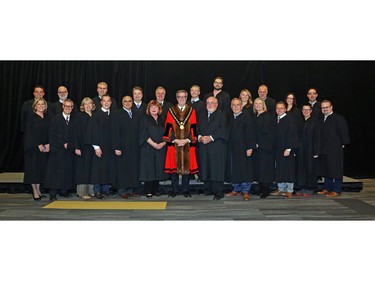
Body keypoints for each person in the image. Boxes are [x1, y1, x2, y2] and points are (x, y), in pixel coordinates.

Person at [163, 89, 199, 198]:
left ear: (186, 98)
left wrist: (188, 139)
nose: (181, 99)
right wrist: (174, 139)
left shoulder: (192, 111)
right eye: (179, 97)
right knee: (174, 167)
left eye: (183, 97)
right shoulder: (171, 111)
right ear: (176, 98)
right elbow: (168, 127)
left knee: (186, 168)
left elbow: (194, 127)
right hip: (175, 144)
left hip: (187, 143)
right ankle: (174, 189)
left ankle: (185, 189)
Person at [198, 96, 229, 200]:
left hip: (217, 146)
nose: (210, 105)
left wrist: (211, 138)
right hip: (204, 146)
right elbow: (196, 128)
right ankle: (208, 189)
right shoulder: (201, 115)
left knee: (217, 169)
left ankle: (218, 192)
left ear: (217, 104)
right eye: (208, 103)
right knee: (205, 167)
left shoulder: (222, 115)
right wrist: (199, 137)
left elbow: (223, 128)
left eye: (212, 103)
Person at [44, 99, 76, 201]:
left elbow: (76, 135)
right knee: (54, 172)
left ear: (72, 108)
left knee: (66, 171)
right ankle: (52, 193)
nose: (68, 108)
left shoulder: (74, 119)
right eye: (66, 106)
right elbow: (53, 134)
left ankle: (63, 190)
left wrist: (70, 144)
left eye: (70, 106)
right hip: (57, 150)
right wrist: (63, 143)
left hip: (69, 150)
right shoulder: (55, 119)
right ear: (62, 107)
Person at [225, 98, 256, 201]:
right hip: (232, 148)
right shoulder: (230, 117)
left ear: (241, 106)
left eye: (238, 105)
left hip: (244, 148)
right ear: (231, 106)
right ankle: (236, 189)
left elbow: (251, 133)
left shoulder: (246, 117)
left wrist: (250, 147)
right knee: (235, 169)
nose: (236, 107)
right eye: (233, 105)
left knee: (245, 169)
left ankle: (246, 191)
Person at [317, 100, 350, 197]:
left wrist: (343, 143)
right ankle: (328, 188)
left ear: (331, 107)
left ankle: (337, 189)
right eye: (323, 108)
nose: (325, 109)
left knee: (336, 169)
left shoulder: (338, 118)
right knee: (327, 169)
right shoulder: (321, 119)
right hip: (324, 149)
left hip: (335, 149)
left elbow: (344, 132)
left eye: (327, 107)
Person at [86, 94, 115, 199]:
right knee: (98, 169)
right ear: (101, 102)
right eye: (104, 101)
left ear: (111, 103)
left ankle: (106, 189)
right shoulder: (96, 115)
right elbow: (92, 131)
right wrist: (96, 147)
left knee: (107, 168)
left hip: (109, 147)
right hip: (99, 147)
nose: (106, 103)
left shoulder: (113, 114)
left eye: (108, 101)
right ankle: (97, 190)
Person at [112, 95, 141, 199]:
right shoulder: (117, 114)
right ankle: (122, 190)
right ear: (122, 102)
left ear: (132, 102)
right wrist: (116, 147)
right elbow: (114, 132)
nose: (128, 103)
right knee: (122, 169)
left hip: (134, 147)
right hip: (122, 147)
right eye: (125, 101)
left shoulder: (136, 113)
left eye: (129, 101)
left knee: (132, 168)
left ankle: (130, 189)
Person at [139, 100, 168, 198]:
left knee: (158, 168)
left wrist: (163, 143)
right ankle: (148, 191)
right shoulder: (144, 119)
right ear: (148, 109)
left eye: (156, 107)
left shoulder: (162, 119)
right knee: (149, 169)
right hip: (148, 147)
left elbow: (168, 132)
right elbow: (144, 133)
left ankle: (156, 190)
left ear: (159, 109)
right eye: (151, 107)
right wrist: (154, 144)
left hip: (161, 147)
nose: (154, 109)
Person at [270, 101, 299, 199]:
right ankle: (281, 188)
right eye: (277, 108)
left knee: (288, 170)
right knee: (279, 169)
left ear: (285, 109)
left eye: (281, 108)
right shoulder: (275, 119)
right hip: (277, 149)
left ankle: (289, 190)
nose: (279, 110)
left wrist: (289, 148)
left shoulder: (289, 119)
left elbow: (293, 135)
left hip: (287, 150)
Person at [23, 98, 50, 200]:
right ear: (35, 106)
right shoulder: (31, 118)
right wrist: (38, 144)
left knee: (39, 171)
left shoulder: (47, 118)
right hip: (33, 148)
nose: (41, 106)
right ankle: (34, 191)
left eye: (43, 104)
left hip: (44, 148)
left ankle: (38, 190)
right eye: (39, 104)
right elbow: (29, 134)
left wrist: (48, 144)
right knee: (33, 170)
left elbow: (50, 132)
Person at [71, 97, 96, 199]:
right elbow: (75, 133)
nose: (88, 105)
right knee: (83, 169)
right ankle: (82, 192)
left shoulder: (95, 115)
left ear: (93, 105)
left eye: (90, 103)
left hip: (93, 146)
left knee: (91, 169)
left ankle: (91, 191)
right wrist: (76, 147)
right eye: (85, 104)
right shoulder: (79, 116)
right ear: (83, 106)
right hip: (82, 146)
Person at [295, 104, 321, 196]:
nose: (306, 112)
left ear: (311, 111)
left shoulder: (315, 122)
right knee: (301, 169)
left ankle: (310, 188)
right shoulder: (299, 122)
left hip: (311, 150)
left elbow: (318, 137)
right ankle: (301, 187)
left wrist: (316, 151)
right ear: (302, 111)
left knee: (310, 169)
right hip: (300, 150)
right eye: (304, 110)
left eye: (308, 110)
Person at [253, 97, 275, 198]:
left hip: (265, 147)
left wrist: (259, 143)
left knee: (265, 169)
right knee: (259, 168)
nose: (258, 105)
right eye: (256, 103)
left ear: (263, 105)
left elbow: (267, 133)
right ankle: (261, 188)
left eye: (260, 103)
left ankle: (266, 190)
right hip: (257, 148)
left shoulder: (267, 116)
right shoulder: (255, 116)